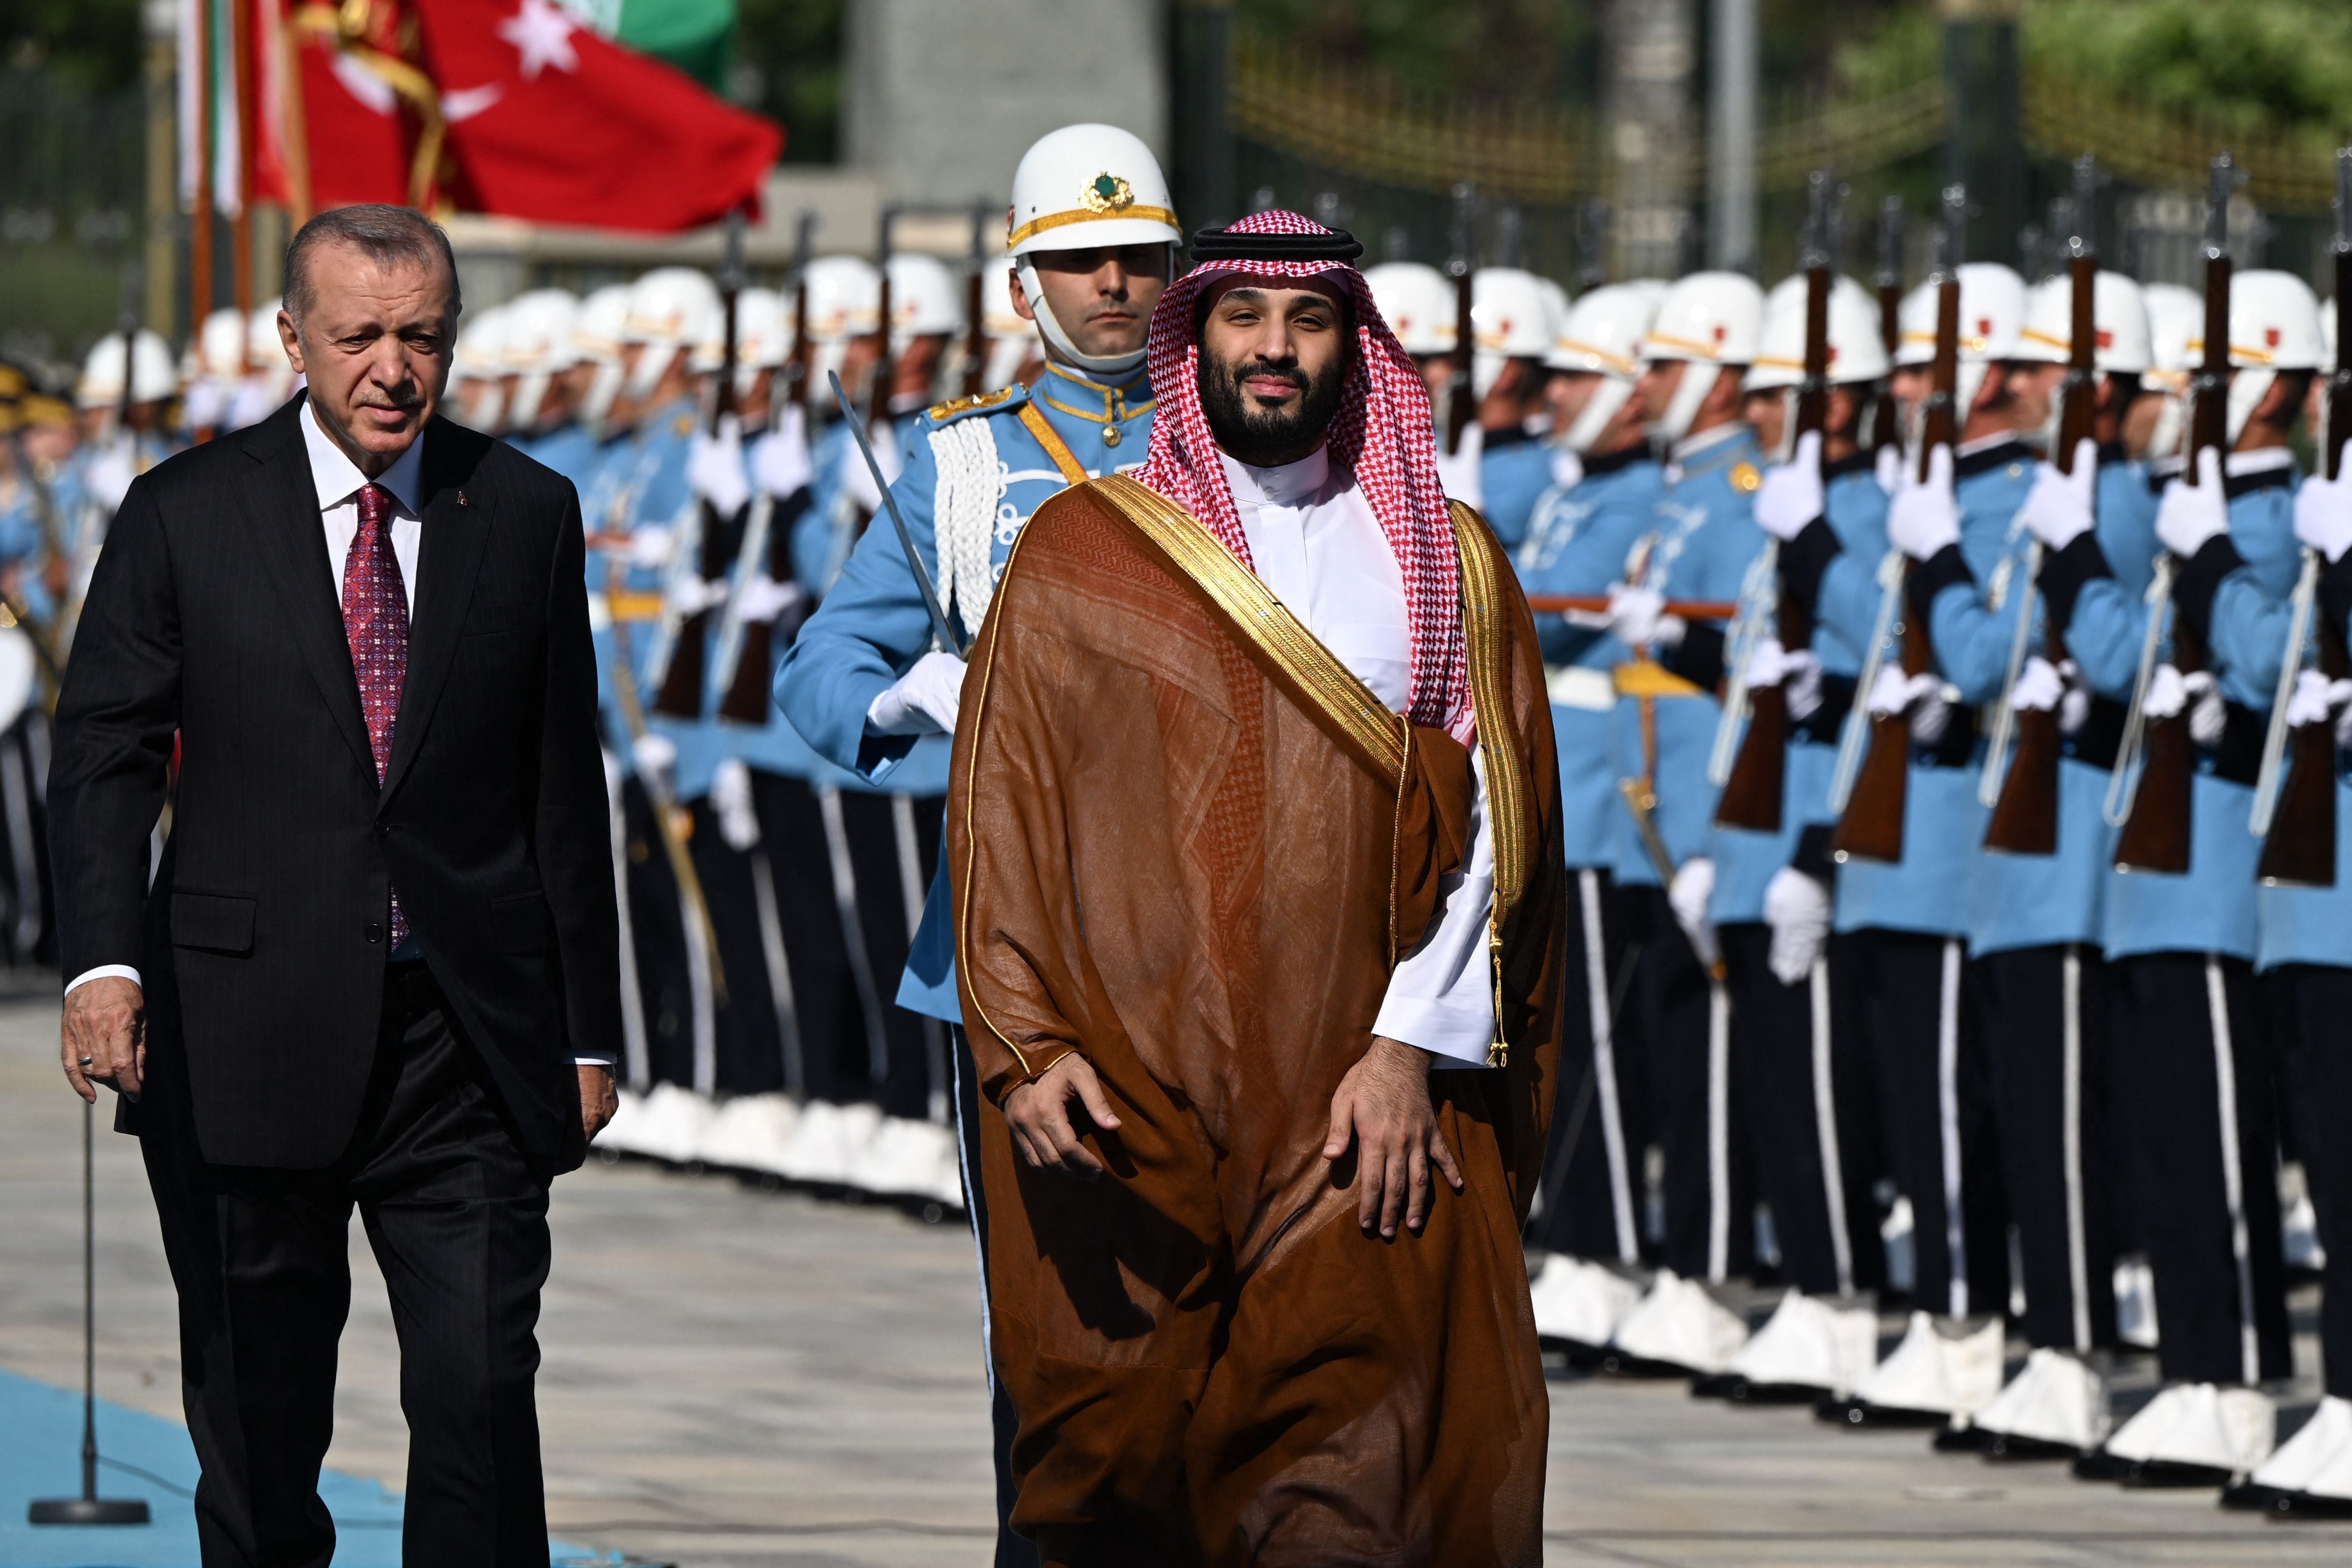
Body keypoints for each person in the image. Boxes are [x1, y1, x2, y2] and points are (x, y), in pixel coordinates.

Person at [950, 207, 1564, 1566]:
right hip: (1132, 1093)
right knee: (1116, 1462)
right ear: (1196, 336)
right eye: (1242, 316)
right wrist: (1025, 1042)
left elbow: (1491, 833)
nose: (1273, 350)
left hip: (1355, 1100)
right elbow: (1006, 813)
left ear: (1354, 342)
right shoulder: (1083, 550)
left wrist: (1409, 1046)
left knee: (1345, 1462)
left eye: (1308, 319)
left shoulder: (1443, 557)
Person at [48, 203, 620, 1567]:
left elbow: (562, 788)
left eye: (421, 335)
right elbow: (104, 752)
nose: (392, 367)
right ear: (293, 339)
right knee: (258, 1419)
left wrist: (587, 1025)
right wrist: (102, 962)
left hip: (463, 1042)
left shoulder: (525, 511)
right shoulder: (186, 512)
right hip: (242, 1032)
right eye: (359, 334)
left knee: (480, 1395)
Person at [775, 121, 1178, 1568]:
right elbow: (817, 664)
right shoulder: (959, 469)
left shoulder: (1240, 450)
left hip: (1218, 934)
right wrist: (903, 690)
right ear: (1028, 284)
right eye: (1082, 262)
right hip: (1019, 946)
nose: (1116, 285)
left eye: (1140, 258)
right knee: (1051, 1318)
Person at [1516, 281, 1667, 1354]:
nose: (1553, 390)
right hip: (1555, 781)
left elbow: (1548, 596)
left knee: (1602, 1043)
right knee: (1555, 1033)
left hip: (1610, 788)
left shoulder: (1636, 496)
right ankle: (1570, 1236)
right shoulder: (1585, 486)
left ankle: (1607, 1248)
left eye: (1576, 376)